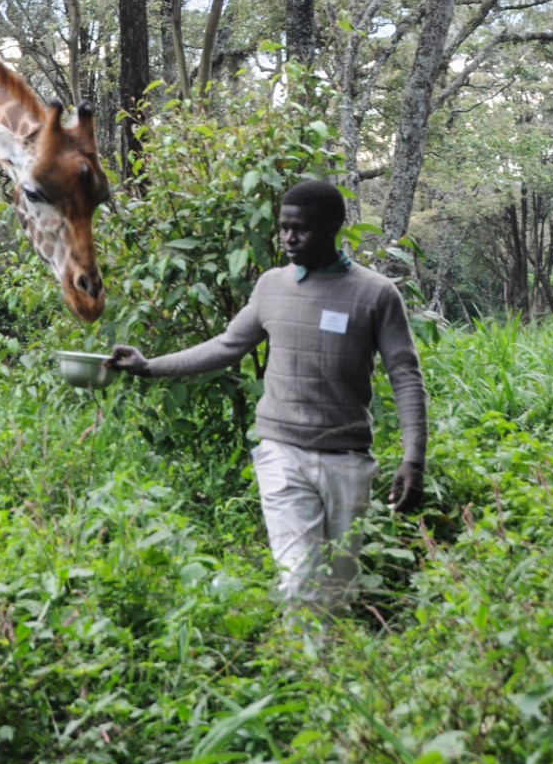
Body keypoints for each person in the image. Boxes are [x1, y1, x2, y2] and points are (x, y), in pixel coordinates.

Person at [107, 179, 427, 613]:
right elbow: (226, 345)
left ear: (333, 228)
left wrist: (414, 457)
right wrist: (150, 366)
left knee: (339, 588)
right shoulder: (271, 286)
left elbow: (405, 374)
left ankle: (328, 674)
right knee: (300, 581)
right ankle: (303, 668)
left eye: (301, 229)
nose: (288, 239)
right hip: (282, 454)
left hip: (348, 460)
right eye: (283, 228)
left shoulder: (375, 293)